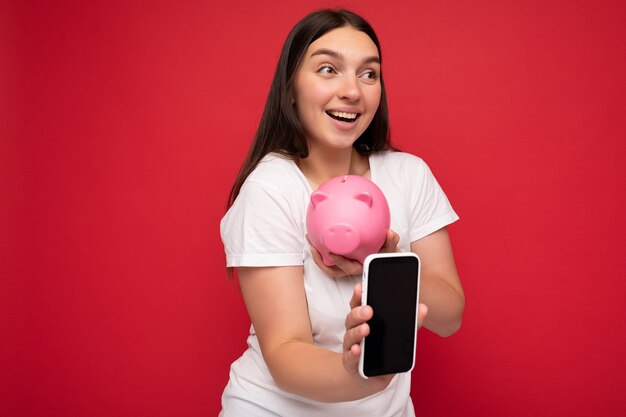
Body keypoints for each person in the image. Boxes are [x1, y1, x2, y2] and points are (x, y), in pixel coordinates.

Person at [219, 9, 464, 416]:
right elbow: (284, 352)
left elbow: (450, 317)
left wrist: (381, 265)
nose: (352, 90)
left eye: (369, 74)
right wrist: (358, 371)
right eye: (328, 69)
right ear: (291, 87)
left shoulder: (409, 174)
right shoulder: (270, 189)